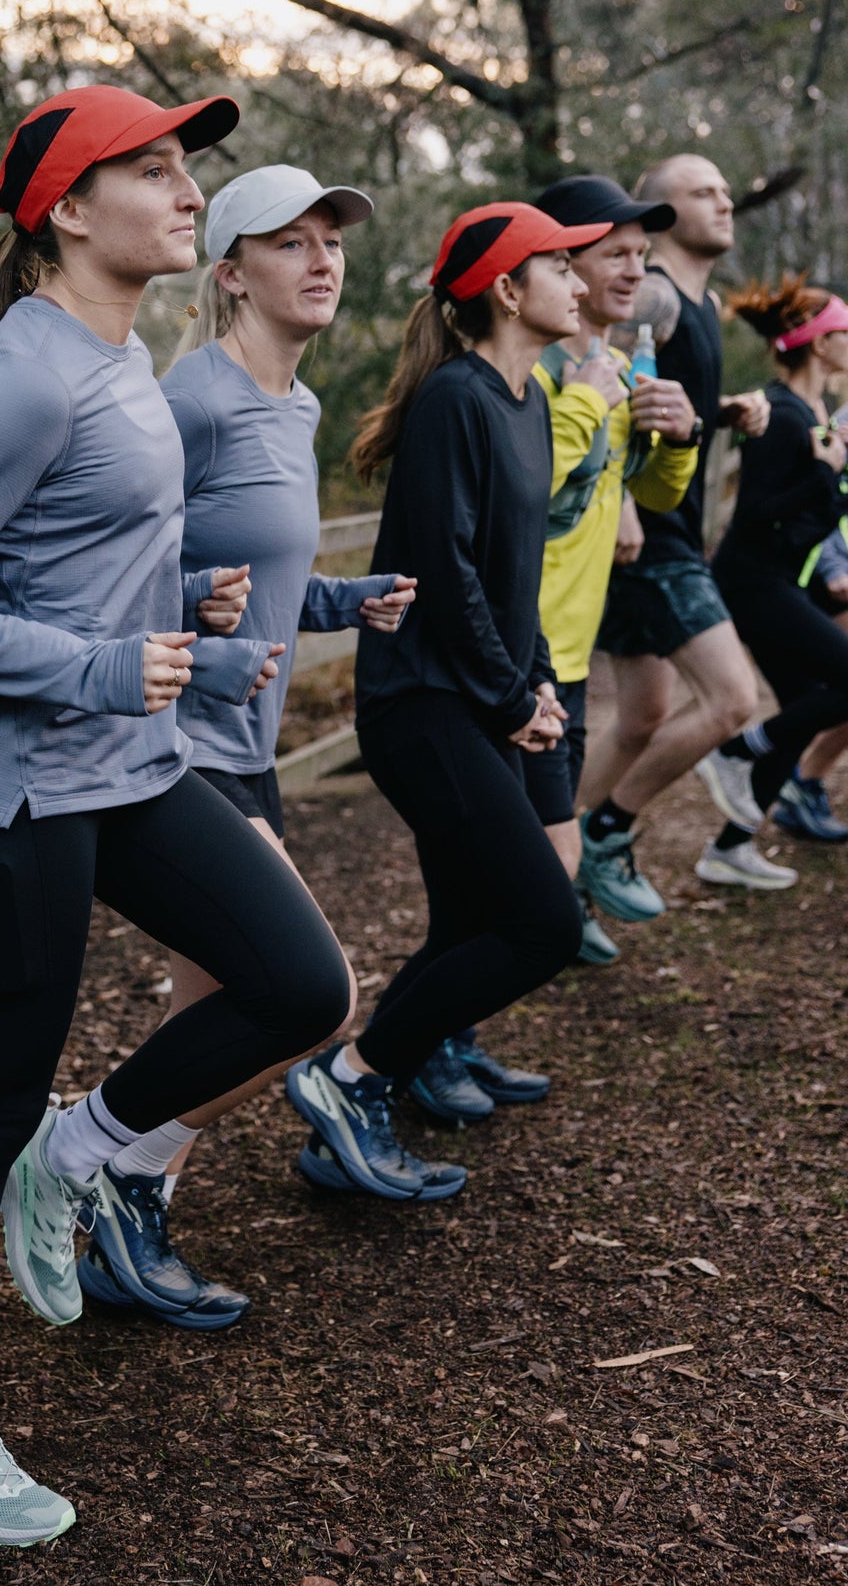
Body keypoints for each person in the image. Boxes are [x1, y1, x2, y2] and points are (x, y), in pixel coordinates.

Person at [0, 84, 352, 1545]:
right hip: (13, 792)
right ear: (69, 209)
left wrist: (167, 605)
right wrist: (95, 658)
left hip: (122, 763)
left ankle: (79, 1154)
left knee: (298, 983)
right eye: (153, 169)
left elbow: (59, 550)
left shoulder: (118, 349)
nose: (189, 190)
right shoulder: (27, 373)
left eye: (187, 167)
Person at [71, 165, 422, 1326]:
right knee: (307, 1001)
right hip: (179, 736)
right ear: (229, 272)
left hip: (249, 737)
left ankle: (118, 1220)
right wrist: (186, 598)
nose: (322, 260)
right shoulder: (192, 401)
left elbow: (261, 584)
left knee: (212, 1004)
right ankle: (99, 1168)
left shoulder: (297, 406)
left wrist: (343, 599)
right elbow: (97, 568)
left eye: (332, 241)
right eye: (290, 243)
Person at [285, 202, 591, 1201]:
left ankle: (363, 1102)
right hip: (422, 704)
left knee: (468, 924)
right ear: (507, 288)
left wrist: (535, 676)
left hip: (479, 695)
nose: (579, 285)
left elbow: (513, 570)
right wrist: (509, 696)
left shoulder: (528, 396)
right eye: (560, 267)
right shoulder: (455, 400)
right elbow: (444, 571)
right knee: (543, 922)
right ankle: (352, 1077)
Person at [577, 155, 771, 918]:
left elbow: (663, 404)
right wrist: (616, 493)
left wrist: (721, 412)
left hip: (670, 528)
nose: (724, 201)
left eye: (726, 189)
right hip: (649, 538)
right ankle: (604, 835)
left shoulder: (703, 300)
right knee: (731, 699)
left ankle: (549, 869)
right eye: (703, 192)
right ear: (662, 214)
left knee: (641, 718)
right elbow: (601, 381)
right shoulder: (651, 291)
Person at [520, 175, 700, 968]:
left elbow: (651, 493)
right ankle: (426, 1043)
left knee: (530, 860)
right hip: (519, 652)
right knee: (506, 865)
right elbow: (520, 495)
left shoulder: (614, 368)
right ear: (562, 261)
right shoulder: (531, 373)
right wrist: (592, 403)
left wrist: (679, 436)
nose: (635, 272)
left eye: (642, 256)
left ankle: (453, 1034)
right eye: (615, 255)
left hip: (570, 652)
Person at [692, 278, 848, 886]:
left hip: (785, 579)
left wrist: (831, 475)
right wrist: (825, 472)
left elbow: (818, 509)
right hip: (751, 580)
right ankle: (734, 750)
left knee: (806, 705)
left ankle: (730, 847)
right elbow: (755, 512)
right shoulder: (779, 415)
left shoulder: (816, 416)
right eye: (844, 332)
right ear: (819, 343)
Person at [775, 508, 848, 840]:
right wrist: (833, 566)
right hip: (830, 585)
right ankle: (798, 782)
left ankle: (802, 783)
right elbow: (828, 498)